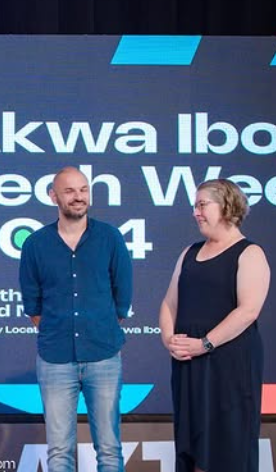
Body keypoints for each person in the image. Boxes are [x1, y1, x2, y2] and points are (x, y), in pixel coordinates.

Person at [19, 166, 132, 472]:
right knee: (59, 451)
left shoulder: (109, 237)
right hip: (55, 359)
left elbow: (122, 298)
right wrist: (59, 332)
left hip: (104, 356)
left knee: (109, 449)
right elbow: (33, 304)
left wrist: (98, 329)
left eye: (83, 189)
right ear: (53, 196)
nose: (78, 196)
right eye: (69, 191)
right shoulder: (35, 244)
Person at [159, 179, 270, 472]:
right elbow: (169, 303)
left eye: (202, 205)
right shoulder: (189, 252)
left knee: (228, 446)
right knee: (192, 450)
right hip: (189, 365)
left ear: (227, 206)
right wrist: (170, 339)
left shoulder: (250, 253)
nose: (195, 212)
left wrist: (204, 344)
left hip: (229, 366)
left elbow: (248, 311)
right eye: (195, 206)